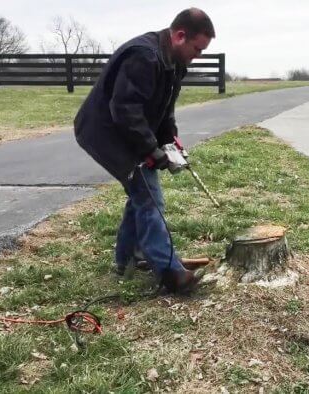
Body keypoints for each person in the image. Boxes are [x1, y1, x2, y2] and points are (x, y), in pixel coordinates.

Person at [74, 8, 215, 293]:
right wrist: (151, 151)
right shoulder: (144, 56)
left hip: (128, 131)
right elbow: (124, 110)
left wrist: (169, 139)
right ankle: (169, 272)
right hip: (105, 133)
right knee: (149, 197)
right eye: (197, 48)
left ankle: (126, 260)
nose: (197, 55)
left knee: (140, 194)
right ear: (179, 36)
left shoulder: (174, 63)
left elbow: (164, 109)